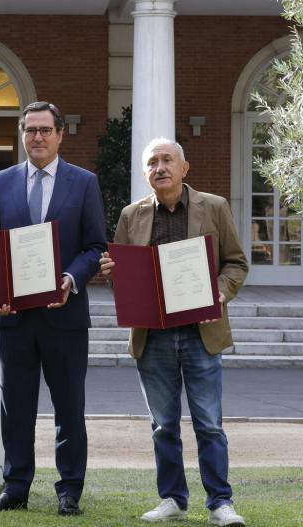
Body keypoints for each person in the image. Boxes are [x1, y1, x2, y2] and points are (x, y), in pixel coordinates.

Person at [99, 138, 248, 527]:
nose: (160, 167)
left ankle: (220, 502)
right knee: (163, 425)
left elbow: (236, 262)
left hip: (202, 334)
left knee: (209, 424)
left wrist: (218, 292)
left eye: (168, 160)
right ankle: (172, 499)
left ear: (185, 168)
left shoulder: (213, 207)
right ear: (145, 172)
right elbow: (125, 281)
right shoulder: (131, 215)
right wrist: (115, 275)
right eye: (152, 162)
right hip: (154, 336)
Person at [0, 101, 107, 516]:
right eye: (30, 130)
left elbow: (95, 246)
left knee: (69, 407)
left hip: (64, 313)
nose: (37, 137)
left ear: (60, 134)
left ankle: (69, 490)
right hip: (13, 317)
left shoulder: (84, 182)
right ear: (22, 134)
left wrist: (70, 279)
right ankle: (15, 488)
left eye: (44, 130)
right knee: (15, 407)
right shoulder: (2, 180)